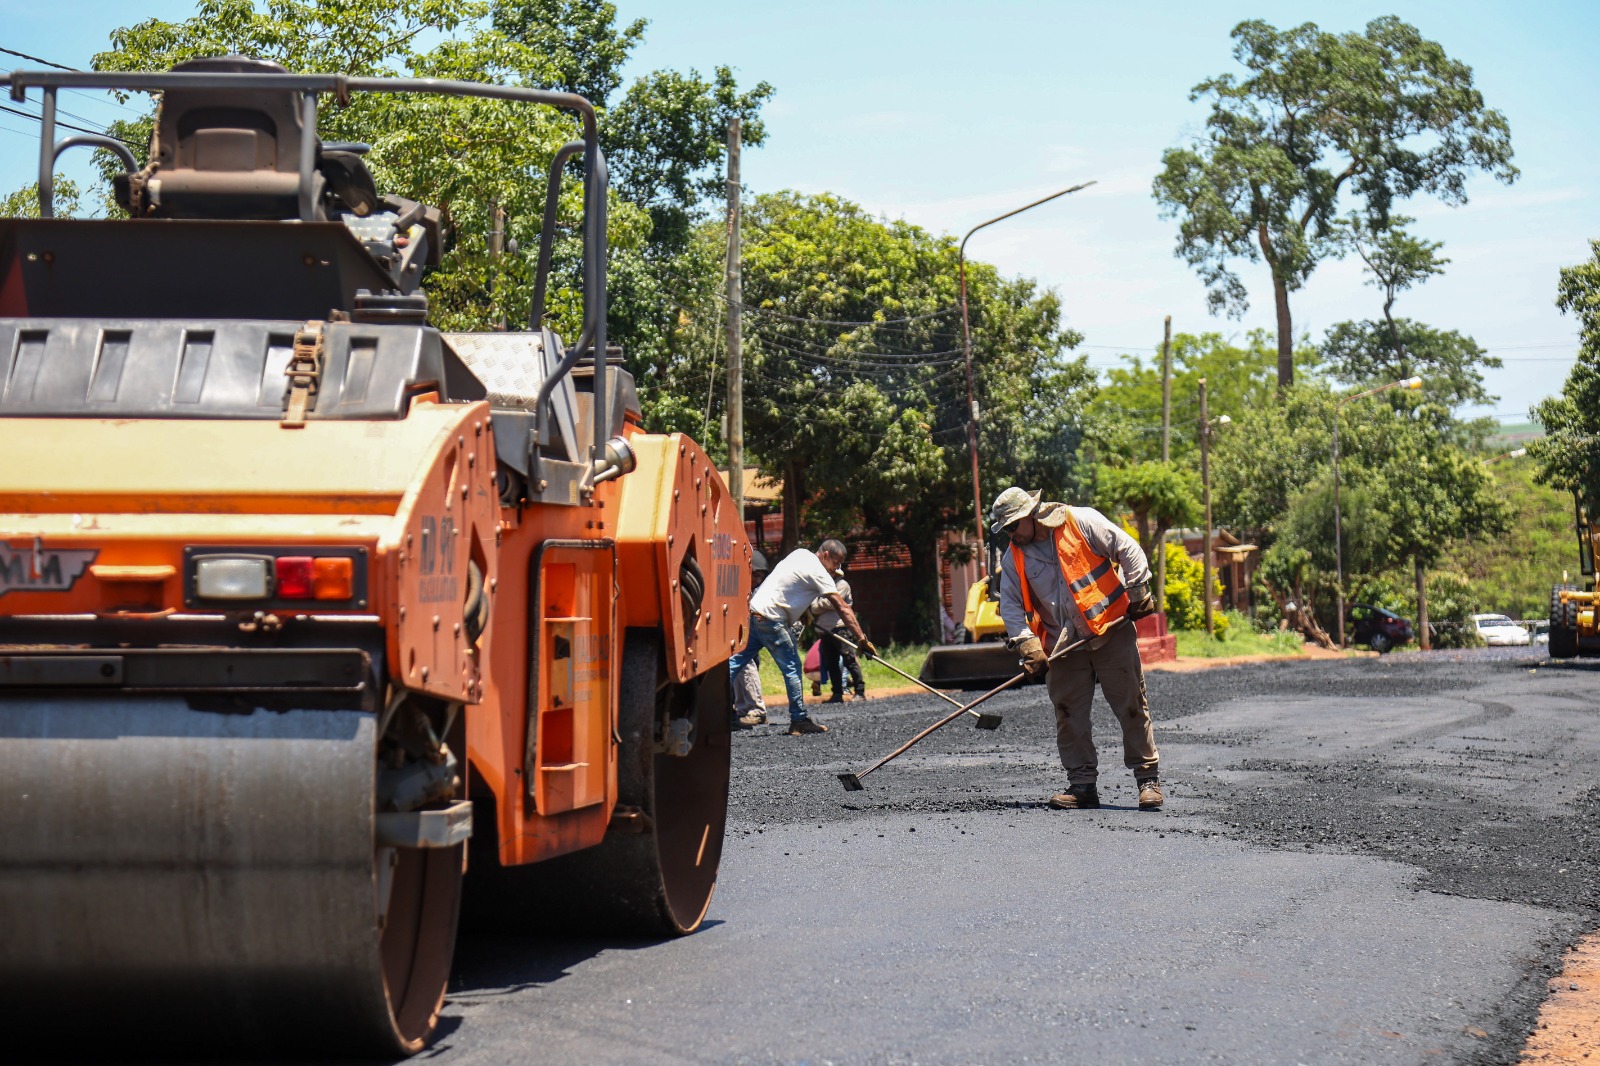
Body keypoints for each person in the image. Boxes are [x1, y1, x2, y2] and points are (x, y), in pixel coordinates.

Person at [990, 486, 1163, 810]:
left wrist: (1138, 589)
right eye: (1006, 529)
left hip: (1111, 630)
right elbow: (1011, 606)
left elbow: (1127, 548)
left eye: (1014, 525)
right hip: (1063, 644)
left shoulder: (1080, 521)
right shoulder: (1013, 558)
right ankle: (1082, 786)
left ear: (1031, 514)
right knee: (1068, 714)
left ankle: (1147, 779)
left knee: (1131, 705)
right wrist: (1029, 646)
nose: (1011, 534)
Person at [728, 538, 874, 735]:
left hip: (755, 611)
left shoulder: (800, 554)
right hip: (772, 617)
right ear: (826, 555)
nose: (837, 568)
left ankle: (715, 712)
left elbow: (790, 586)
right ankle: (798, 719)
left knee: (735, 662)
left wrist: (800, 612)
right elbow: (842, 607)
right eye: (836, 563)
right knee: (792, 667)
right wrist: (861, 638)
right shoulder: (819, 571)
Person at [810, 567, 866, 702]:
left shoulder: (842, 585)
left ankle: (860, 691)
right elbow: (814, 608)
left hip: (840, 629)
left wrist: (819, 602)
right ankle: (837, 693)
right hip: (825, 630)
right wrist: (819, 604)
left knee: (849, 660)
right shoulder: (822, 588)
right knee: (831, 663)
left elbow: (832, 603)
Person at [731, 550, 771, 725]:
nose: (757, 580)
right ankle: (743, 708)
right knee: (738, 666)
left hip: (748, 631)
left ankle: (756, 709)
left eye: (760, 576)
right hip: (737, 628)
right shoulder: (737, 585)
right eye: (754, 575)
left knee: (746, 664)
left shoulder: (756, 590)